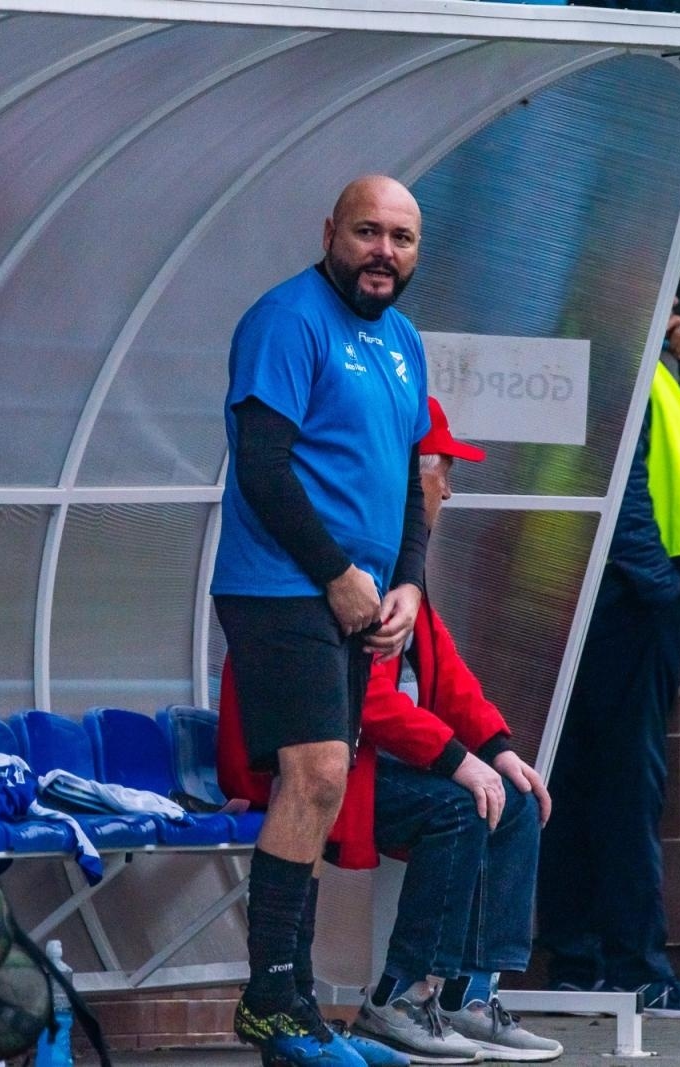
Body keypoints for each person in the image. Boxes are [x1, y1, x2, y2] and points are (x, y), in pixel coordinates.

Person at [219, 397, 563, 1064]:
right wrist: (460, 760)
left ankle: (468, 991)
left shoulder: (401, 572)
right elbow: (364, 700)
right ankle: (399, 997)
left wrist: (497, 748)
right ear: (412, 473)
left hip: (367, 768)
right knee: (460, 805)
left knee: (515, 799)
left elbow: (448, 671)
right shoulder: (350, 562)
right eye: (442, 471)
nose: (449, 489)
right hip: (316, 771)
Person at [211, 175, 432, 1067]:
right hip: (279, 584)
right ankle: (270, 1002)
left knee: (325, 787)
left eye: (403, 238)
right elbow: (262, 466)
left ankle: (295, 1006)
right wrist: (339, 573)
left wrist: (408, 584)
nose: (385, 252)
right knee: (314, 773)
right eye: (369, 232)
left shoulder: (406, 339)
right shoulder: (288, 318)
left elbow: (413, 478)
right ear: (330, 229)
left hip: (358, 596)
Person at [536, 310, 680, 1019]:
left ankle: (578, 963)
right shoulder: (616, 361)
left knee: (583, 783)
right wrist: (662, 590)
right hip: (627, 602)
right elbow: (619, 497)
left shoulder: (642, 365)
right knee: (625, 790)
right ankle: (636, 971)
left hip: (608, 597)